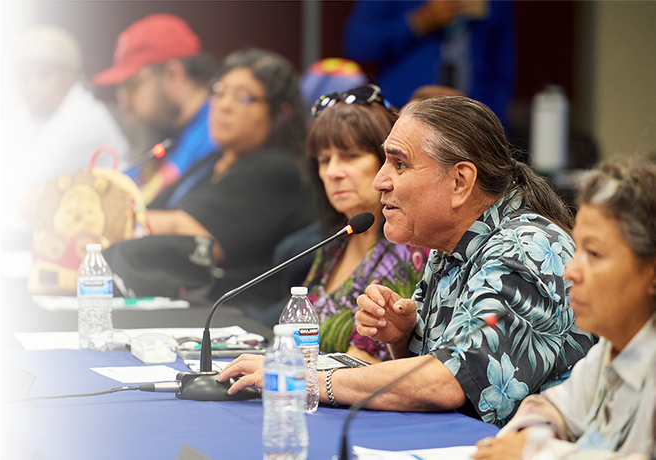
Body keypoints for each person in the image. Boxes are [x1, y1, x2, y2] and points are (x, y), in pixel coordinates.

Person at [218, 96, 595, 428]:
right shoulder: (449, 246)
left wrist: (303, 378)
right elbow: (427, 382)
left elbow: (448, 382)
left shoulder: (525, 247)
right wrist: (401, 339)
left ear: (460, 181)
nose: (381, 180)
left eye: (399, 165)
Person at [474, 156, 656, 460]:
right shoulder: (612, 348)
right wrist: (529, 441)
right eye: (578, 248)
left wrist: (535, 452)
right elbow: (548, 407)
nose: (570, 271)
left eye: (594, 254)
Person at [144, 48, 316, 309]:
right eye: (220, 92)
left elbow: (185, 233)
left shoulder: (277, 169)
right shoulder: (215, 160)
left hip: (242, 317)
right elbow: (152, 211)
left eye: (243, 98)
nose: (223, 105)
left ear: (281, 113)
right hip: (194, 304)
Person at [272, 85, 428, 362]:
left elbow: (364, 363)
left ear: (390, 162)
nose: (332, 172)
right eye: (324, 160)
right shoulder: (338, 239)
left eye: (351, 156)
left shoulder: (408, 247)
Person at [1, 25, 129, 224]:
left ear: (70, 75)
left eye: (43, 75)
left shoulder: (81, 120)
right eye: (23, 77)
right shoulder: (28, 109)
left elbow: (12, 190)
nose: (32, 87)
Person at [90, 13, 219, 204]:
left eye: (131, 86)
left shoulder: (218, 129)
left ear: (173, 74)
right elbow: (131, 184)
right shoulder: (169, 131)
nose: (124, 102)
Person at [342, 0, 515, 125]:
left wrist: (495, 120)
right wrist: (419, 21)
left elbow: (502, 65)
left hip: (472, 119)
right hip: (401, 114)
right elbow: (357, 43)